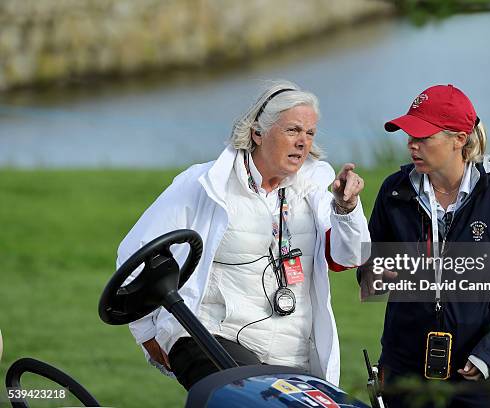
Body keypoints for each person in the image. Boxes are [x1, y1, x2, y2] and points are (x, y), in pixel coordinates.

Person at [117, 80, 370, 390]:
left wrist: (347, 208)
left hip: (293, 356)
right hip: (209, 336)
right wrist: (145, 332)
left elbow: (351, 255)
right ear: (258, 132)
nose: (303, 142)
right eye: (292, 130)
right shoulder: (202, 183)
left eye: (310, 133)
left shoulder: (317, 184)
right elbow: (135, 254)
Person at [358, 84, 490, 407]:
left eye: (423, 137)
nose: (411, 145)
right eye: (409, 135)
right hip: (406, 371)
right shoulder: (394, 192)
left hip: (486, 370)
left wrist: (489, 352)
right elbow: (367, 275)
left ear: (459, 139)